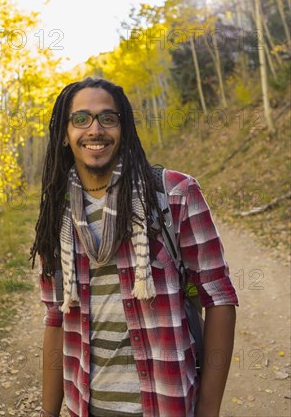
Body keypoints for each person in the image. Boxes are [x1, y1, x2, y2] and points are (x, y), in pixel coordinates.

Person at [31, 77, 238, 417]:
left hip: (165, 405)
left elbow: (219, 297)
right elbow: (56, 320)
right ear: (65, 135)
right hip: (85, 407)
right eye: (81, 119)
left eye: (108, 118)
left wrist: (208, 410)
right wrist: (47, 413)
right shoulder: (57, 217)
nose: (95, 129)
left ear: (123, 129)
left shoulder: (175, 194)